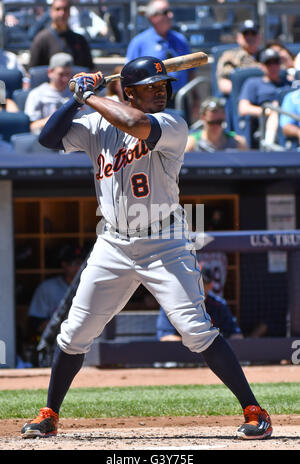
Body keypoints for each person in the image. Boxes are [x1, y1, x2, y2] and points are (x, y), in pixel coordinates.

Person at [20, 56, 272, 440]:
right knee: (73, 335)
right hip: (113, 243)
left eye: (163, 86)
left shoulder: (172, 124)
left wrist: (88, 96)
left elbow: (135, 124)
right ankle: (49, 414)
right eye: (152, 87)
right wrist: (74, 99)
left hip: (164, 242)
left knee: (195, 331)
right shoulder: (96, 124)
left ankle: (255, 411)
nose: (161, 92)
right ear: (128, 90)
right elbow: (48, 138)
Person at [26, 245, 85, 363]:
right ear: (64, 264)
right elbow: (35, 321)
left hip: (84, 341)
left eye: (81, 263)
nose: (79, 267)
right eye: (74, 263)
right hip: (56, 343)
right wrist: (61, 327)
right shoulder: (48, 288)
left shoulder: (90, 287)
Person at [126, 0, 194, 103]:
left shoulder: (180, 39)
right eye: (166, 12)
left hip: (179, 99)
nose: (171, 15)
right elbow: (129, 74)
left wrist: (195, 97)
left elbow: (191, 71)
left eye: (170, 11)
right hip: (151, 101)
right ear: (153, 17)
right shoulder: (139, 42)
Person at [157, 265, 243, 341]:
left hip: (211, 354)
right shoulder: (173, 304)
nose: (197, 285)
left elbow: (236, 336)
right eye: (193, 281)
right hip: (180, 355)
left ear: (210, 285)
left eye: (202, 282)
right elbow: (166, 338)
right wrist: (197, 345)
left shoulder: (219, 306)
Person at [24, 52, 92, 135]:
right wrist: (57, 117)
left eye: (68, 74)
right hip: (48, 140)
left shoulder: (79, 94)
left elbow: (90, 122)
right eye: (61, 74)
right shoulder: (37, 94)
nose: (65, 79)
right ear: (50, 72)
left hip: (76, 138)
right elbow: (32, 127)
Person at [29, 0, 94, 70]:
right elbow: (34, 72)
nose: (62, 13)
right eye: (58, 9)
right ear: (51, 12)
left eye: (65, 9)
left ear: (69, 12)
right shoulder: (41, 39)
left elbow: (89, 69)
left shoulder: (80, 40)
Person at [216, 19, 262, 96]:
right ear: (238, 37)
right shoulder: (230, 57)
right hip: (240, 99)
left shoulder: (268, 57)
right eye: (246, 34)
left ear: (260, 37)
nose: (249, 37)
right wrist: (247, 93)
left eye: (253, 33)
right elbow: (223, 83)